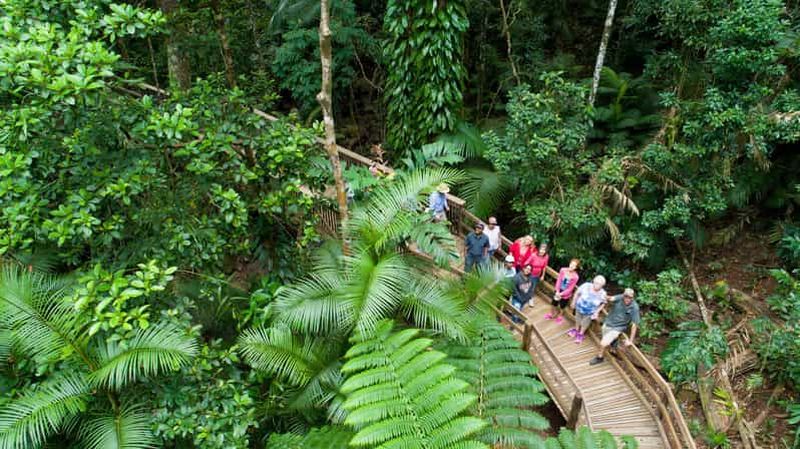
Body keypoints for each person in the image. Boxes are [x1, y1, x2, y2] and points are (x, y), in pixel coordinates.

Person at [590, 288, 640, 365]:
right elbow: (611, 298)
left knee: (603, 343)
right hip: (609, 322)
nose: (627, 299)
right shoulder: (620, 297)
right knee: (605, 334)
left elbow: (634, 325)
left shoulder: (634, 307)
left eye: (630, 297)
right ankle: (613, 346)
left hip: (619, 327)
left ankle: (600, 357)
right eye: (626, 296)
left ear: (633, 297)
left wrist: (630, 340)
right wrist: (605, 297)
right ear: (623, 295)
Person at [568, 275, 607, 344]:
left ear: (602, 285)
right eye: (596, 283)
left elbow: (603, 303)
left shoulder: (603, 293)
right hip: (579, 307)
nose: (597, 285)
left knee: (585, 323)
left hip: (589, 312)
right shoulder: (586, 285)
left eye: (599, 284)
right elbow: (577, 292)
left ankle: (580, 334)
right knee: (577, 319)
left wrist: (597, 311)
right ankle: (576, 330)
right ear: (593, 281)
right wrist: (573, 301)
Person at [545, 258, 580, 324]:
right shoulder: (563, 270)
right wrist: (557, 291)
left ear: (576, 267)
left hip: (566, 294)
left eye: (574, 265)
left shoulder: (576, 277)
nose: (571, 266)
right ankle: (552, 313)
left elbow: (570, 288)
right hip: (558, 290)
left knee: (562, 306)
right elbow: (559, 280)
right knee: (554, 303)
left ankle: (560, 316)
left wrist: (561, 294)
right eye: (571, 264)